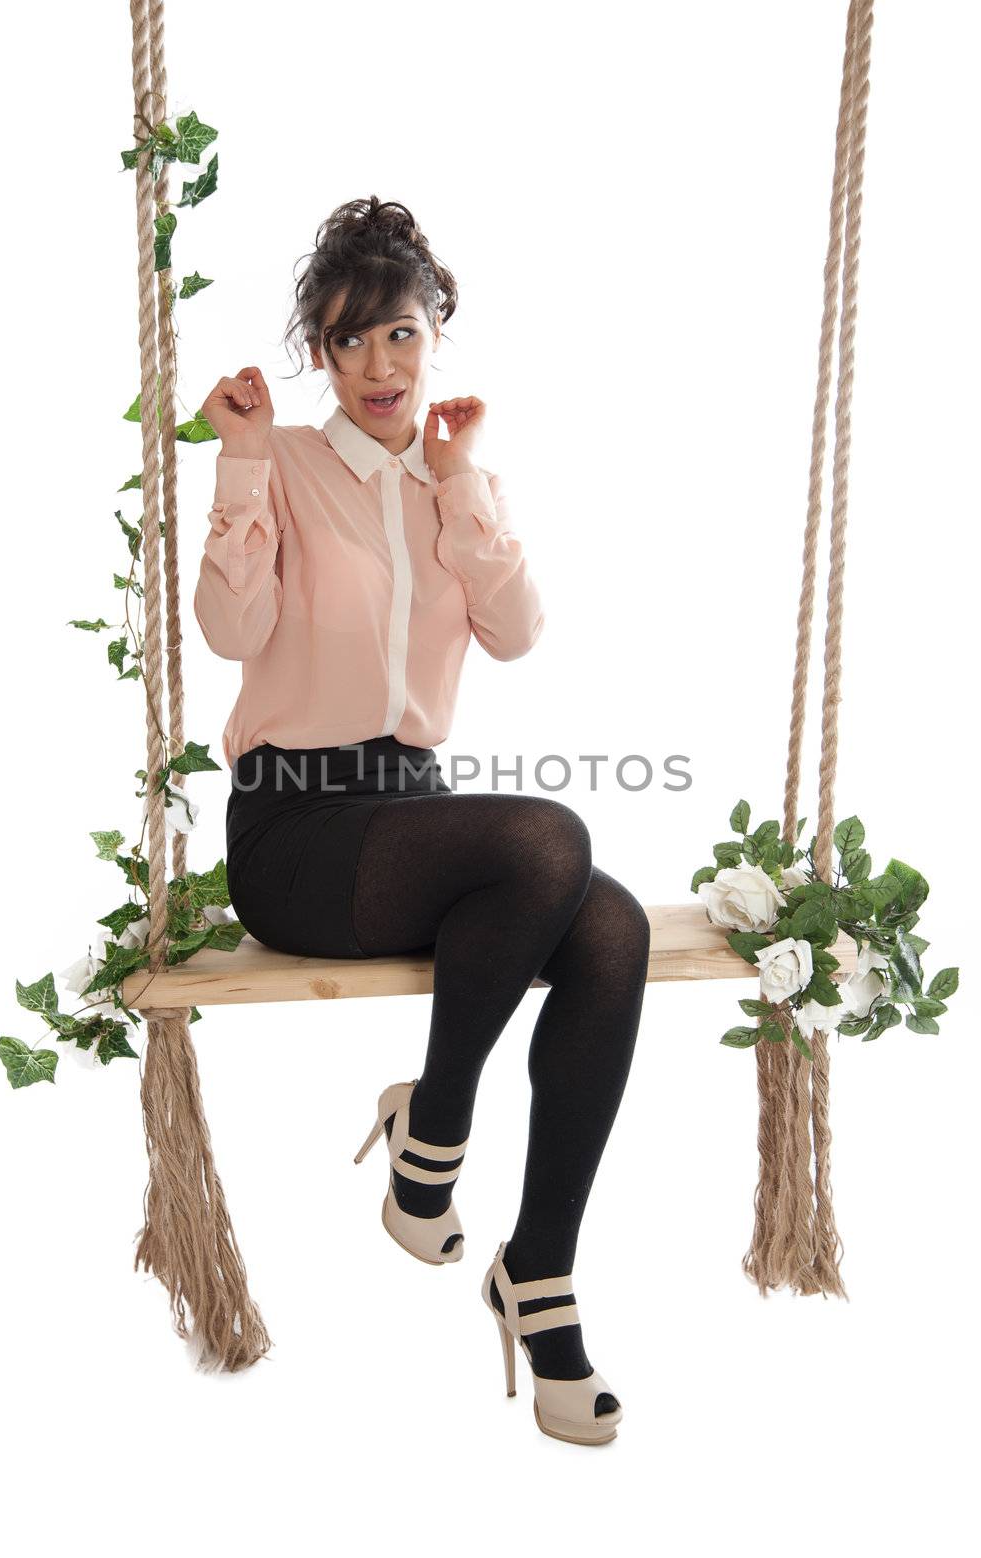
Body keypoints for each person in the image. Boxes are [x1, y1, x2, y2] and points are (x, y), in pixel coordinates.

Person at [193, 195, 650, 1446]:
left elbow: (515, 634)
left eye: (397, 334)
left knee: (608, 926)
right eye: (347, 343)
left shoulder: (458, 482)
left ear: (432, 329)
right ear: (319, 354)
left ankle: (539, 1277)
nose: (378, 368)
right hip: (297, 835)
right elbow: (230, 634)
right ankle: (434, 1134)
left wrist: (458, 486)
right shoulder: (277, 461)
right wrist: (237, 461)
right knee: (550, 840)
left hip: (414, 826)